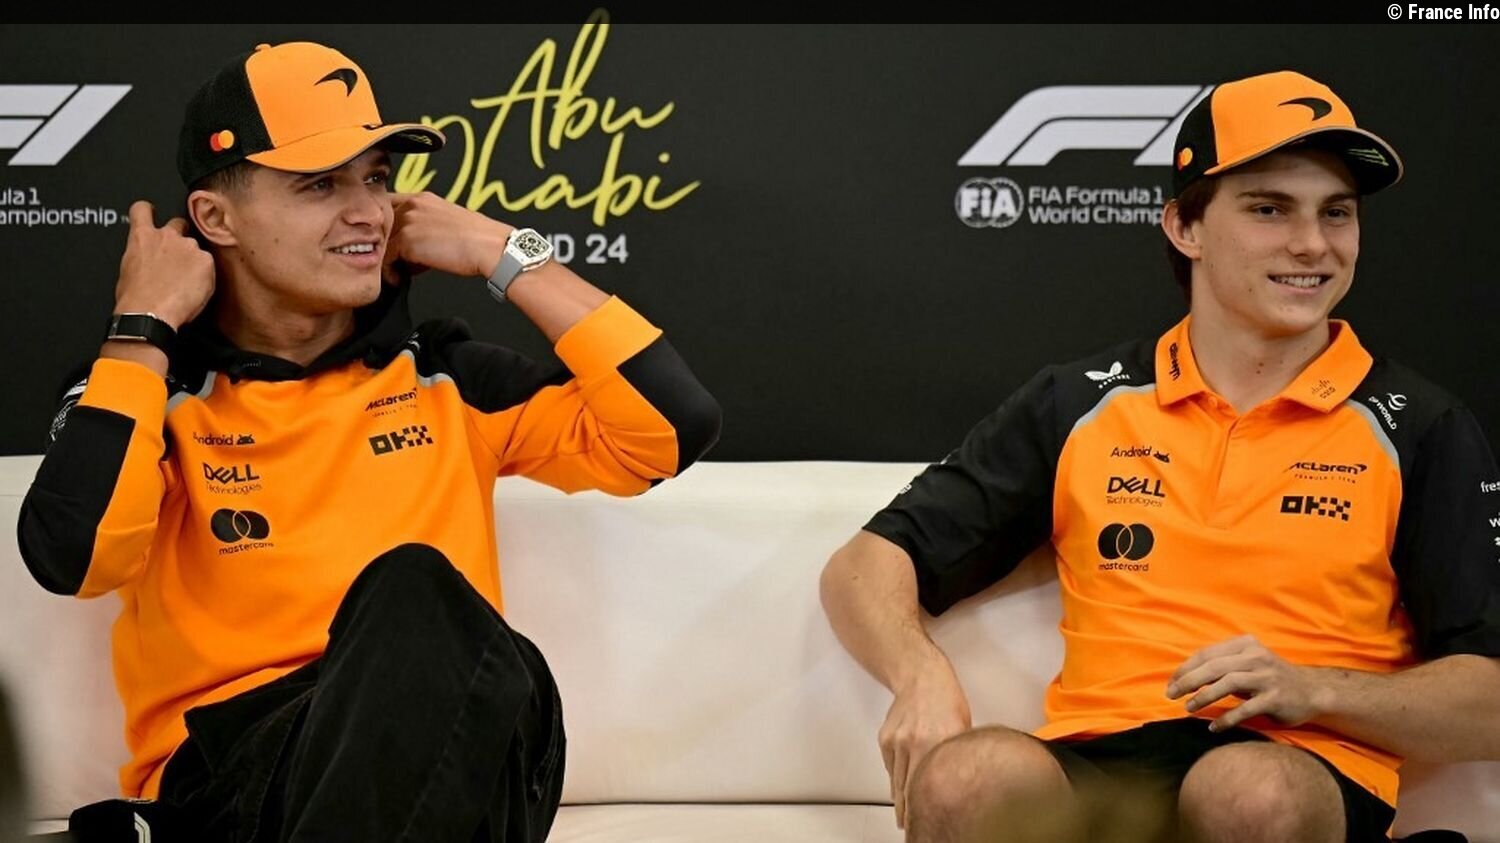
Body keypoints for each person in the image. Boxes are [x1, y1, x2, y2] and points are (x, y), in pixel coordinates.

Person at [17, 40, 720, 842]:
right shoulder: (153, 387)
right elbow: (75, 557)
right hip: (246, 778)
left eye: (377, 179)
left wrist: (502, 252)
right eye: (320, 184)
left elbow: (670, 427)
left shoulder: (446, 376)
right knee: (419, 602)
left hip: (455, 744)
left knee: (436, 610)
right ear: (215, 218)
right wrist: (142, 327)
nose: (369, 212)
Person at [820, 70, 1500, 843]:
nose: (1313, 243)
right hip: (1100, 765)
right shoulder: (1081, 402)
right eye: (1269, 208)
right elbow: (864, 565)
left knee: (1246, 791)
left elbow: (1491, 698)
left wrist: (1314, 689)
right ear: (1185, 227)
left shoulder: (1419, 425)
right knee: (964, 776)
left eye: (1335, 212)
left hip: (1296, 763)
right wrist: (919, 676)